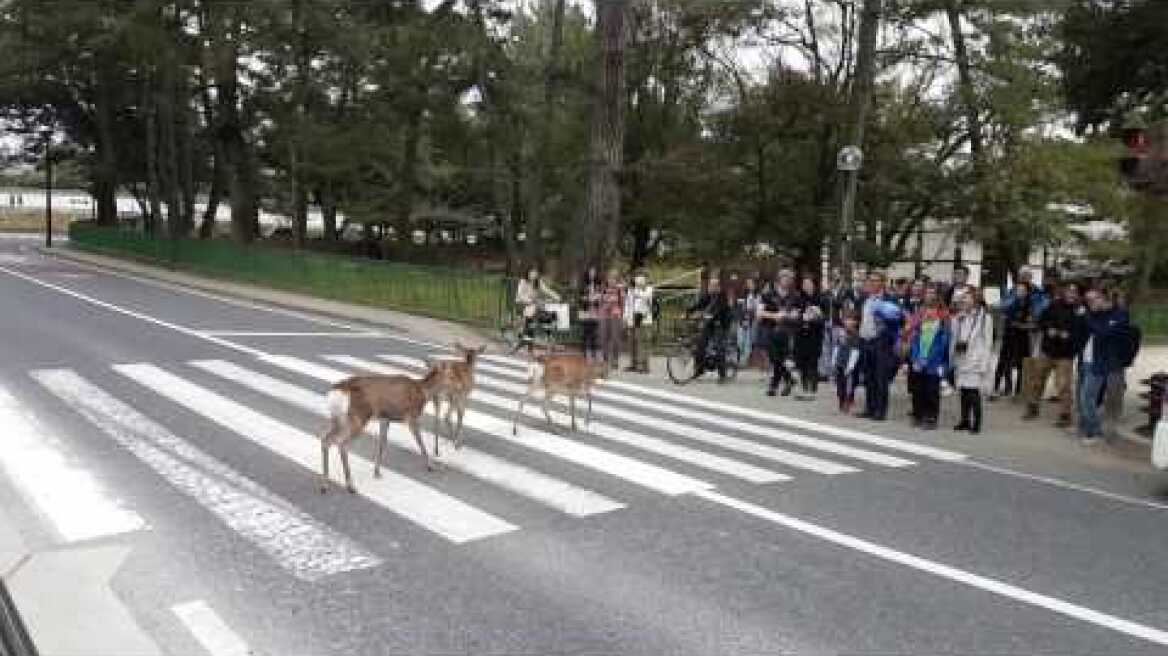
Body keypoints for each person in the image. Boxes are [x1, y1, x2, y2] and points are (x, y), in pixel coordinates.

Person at [1078, 287, 1134, 443]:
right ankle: (1087, 427)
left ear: (1103, 299)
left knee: (1092, 398)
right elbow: (1082, 334)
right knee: (1084, 397)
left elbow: (1103, 332)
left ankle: (1095, 432)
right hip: (1086, 360)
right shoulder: (1095, 314)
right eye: (1087, 301)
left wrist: (1088, 316)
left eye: (1093, 299)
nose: (1090, 303)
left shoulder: (1119, 315)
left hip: (1105, 362)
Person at [1022, 282, 1081, 427]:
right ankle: (1032, 407)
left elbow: (1082, 331)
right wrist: (1049, 329)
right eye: (1069, 291)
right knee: (1037, 381)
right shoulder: (1054, 305)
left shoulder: (1080, 310)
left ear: (1077, 294)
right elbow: (1041, 322)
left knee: (1063, 385)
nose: (1071, 294)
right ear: (1064, 292)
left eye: (1074, 292)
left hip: (1066, 354)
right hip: (1048, 350)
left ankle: (1065, 415)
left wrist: (1070, 336)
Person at [857, 272, 903, 421]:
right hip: (866, 341)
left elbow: (899, 319)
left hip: (881, 342)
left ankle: (880, 411)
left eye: (876, 281)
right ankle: (870, 408)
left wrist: (886, 322)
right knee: (869, 377)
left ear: (882, 283)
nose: (872, 283)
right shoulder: (865, 299)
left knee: (881, 378)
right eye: (870, 281)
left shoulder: (889, 299)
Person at [907, 286, 951, 430]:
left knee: (931, 392)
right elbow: (914, 343)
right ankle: (918, 415)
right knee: (918, 391)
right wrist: (915, 359)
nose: (930, 312)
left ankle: (931, 417)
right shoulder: (920, 325)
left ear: (938, 311)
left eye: (933, 309)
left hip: (934, 364)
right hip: (919, 362)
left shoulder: (942, 327)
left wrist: (928, 360)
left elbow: (941, 347)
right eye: (928, 309)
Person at [951, 287, 994, 434]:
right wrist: (957, 319)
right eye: (962, 299)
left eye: (967, 298)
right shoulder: (959, 317)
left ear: (975, 300)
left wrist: (984, 364)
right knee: (963, 391)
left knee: (973, 392)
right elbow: (955, 336)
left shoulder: (985, 319)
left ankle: (976, 423)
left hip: (975, 360)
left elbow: (988, 343)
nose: (964, 301)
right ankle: (964, 421)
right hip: (962, 358)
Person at [757, 270, 804, 397]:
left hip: (786, 331)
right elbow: (759, 313)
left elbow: (796, 314)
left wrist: (787, 316)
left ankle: (774, 385)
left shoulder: (795, 296)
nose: (787, 280)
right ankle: (788, 379)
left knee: (781, 357)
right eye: (785, 278)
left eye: (790, 279)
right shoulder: (767, 294)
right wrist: (774, 316)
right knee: (774, 357)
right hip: (769, 329)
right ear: (779, 279)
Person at [992, 280, 1038, 400]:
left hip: (1022, 338)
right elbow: (1003, 312)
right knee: (1003, 362)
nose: (1020, 292)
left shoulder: (1031, 304)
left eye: (1023, 290)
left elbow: (1034, 323)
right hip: (1009, 336)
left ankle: (1019, 391)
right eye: (1018, 290)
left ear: (1028, 292)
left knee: (1022, 365)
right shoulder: (1012, 302)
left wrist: (1023, 325)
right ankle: (999, 388)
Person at [687, 276, 734, 381]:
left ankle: (722, 374)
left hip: (721, 324)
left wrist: (710, 316)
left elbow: (719, 310)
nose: (710, 287)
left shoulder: (722, 296)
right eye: (710, 285)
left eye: (713, 286)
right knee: (700, 345)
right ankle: (699, 370)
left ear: (718, 287)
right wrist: (688, 311)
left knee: (719, 348)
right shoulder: (708, 296)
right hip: (710, 324)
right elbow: (699, 304)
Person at [794, 275, 826, 400]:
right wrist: (802, 317)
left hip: (815, 335)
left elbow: (824, 317)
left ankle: (813, 389)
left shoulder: (820, 299)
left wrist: (815, 316)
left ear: (813, 285)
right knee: (801, 362)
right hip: (801, 335)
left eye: (809, 284)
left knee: (813, 363)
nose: (806, 286)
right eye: (804, 284)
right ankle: (803, 388)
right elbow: (795, 314)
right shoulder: (799, 298)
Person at [515, 267, 560, 342]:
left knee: (545, 312)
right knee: (532, 309)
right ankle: (527, 334)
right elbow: (520, 295)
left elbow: (546, 290)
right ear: (528, 273)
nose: (533, 275)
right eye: (532, 273)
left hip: (533, 303)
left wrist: (556, 296)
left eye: (535, 273)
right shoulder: (523, 282)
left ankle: (548, 335)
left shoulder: (538, 282)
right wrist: (529, 300)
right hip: (522, 302)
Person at [624, 272, 654, 373]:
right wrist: (626, 317)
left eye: (641, 279)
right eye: (637, 279)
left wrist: (637, 290)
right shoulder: (631, 290)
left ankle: (645, 366)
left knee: (644, 343)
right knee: (634, 342)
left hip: (645, 319)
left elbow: (645, 297)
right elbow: (628, 304)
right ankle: (634, 364)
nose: (638, 281)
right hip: (633, 318)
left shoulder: (649, 289)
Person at [833, 312, 862, 413]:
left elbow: (855, 351)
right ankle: (841, 401)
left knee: (848, 384)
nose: (848, 322)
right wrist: (834, 360)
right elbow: (836, 347)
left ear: (855, 322)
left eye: (851, 320)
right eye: (846, 320)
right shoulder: (841, 333)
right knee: (839, 384)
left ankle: (847, 401)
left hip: (849, 364)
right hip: (840, 362)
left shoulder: (855, 335)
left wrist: (850, 366)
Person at [598, 269, 625, 371]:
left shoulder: (620, 290)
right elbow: (600, 301)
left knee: (615, 339)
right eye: (610, 278)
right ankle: (605, 359)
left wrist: (622, 316)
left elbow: (622, 303)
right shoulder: (604, 288)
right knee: (603, 337)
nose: (611, 280)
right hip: (604, 315)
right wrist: (601, 311)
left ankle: (615, 360)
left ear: (617, 280)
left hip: (615, 315)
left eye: (614, 278)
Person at [577, 265, 603, 361]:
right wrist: (587, 298)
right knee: (587, 332)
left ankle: (596, 352)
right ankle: (587, 353)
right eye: (590, 272)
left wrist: (598, 297)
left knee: (595, 332)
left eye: (594, 272)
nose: (592, 274)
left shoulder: (599, 284)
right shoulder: (583, 284)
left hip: (595, 310)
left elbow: (601, 296)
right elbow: (579, 297)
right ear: (587, 273)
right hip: (585, 310)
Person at [736, 275, 762, 367]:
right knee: (740, 340)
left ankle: (746, 359)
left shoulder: (758, 295)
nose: (750, 285)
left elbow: (758, 309)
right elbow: (739, 308)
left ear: (755, 285)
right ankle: (742, 357)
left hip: (753, 321)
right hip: (742, 320)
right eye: (748, 283)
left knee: (749, 340)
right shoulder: (742, 294)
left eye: (751, 283)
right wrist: (742, 320)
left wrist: (751, 318)